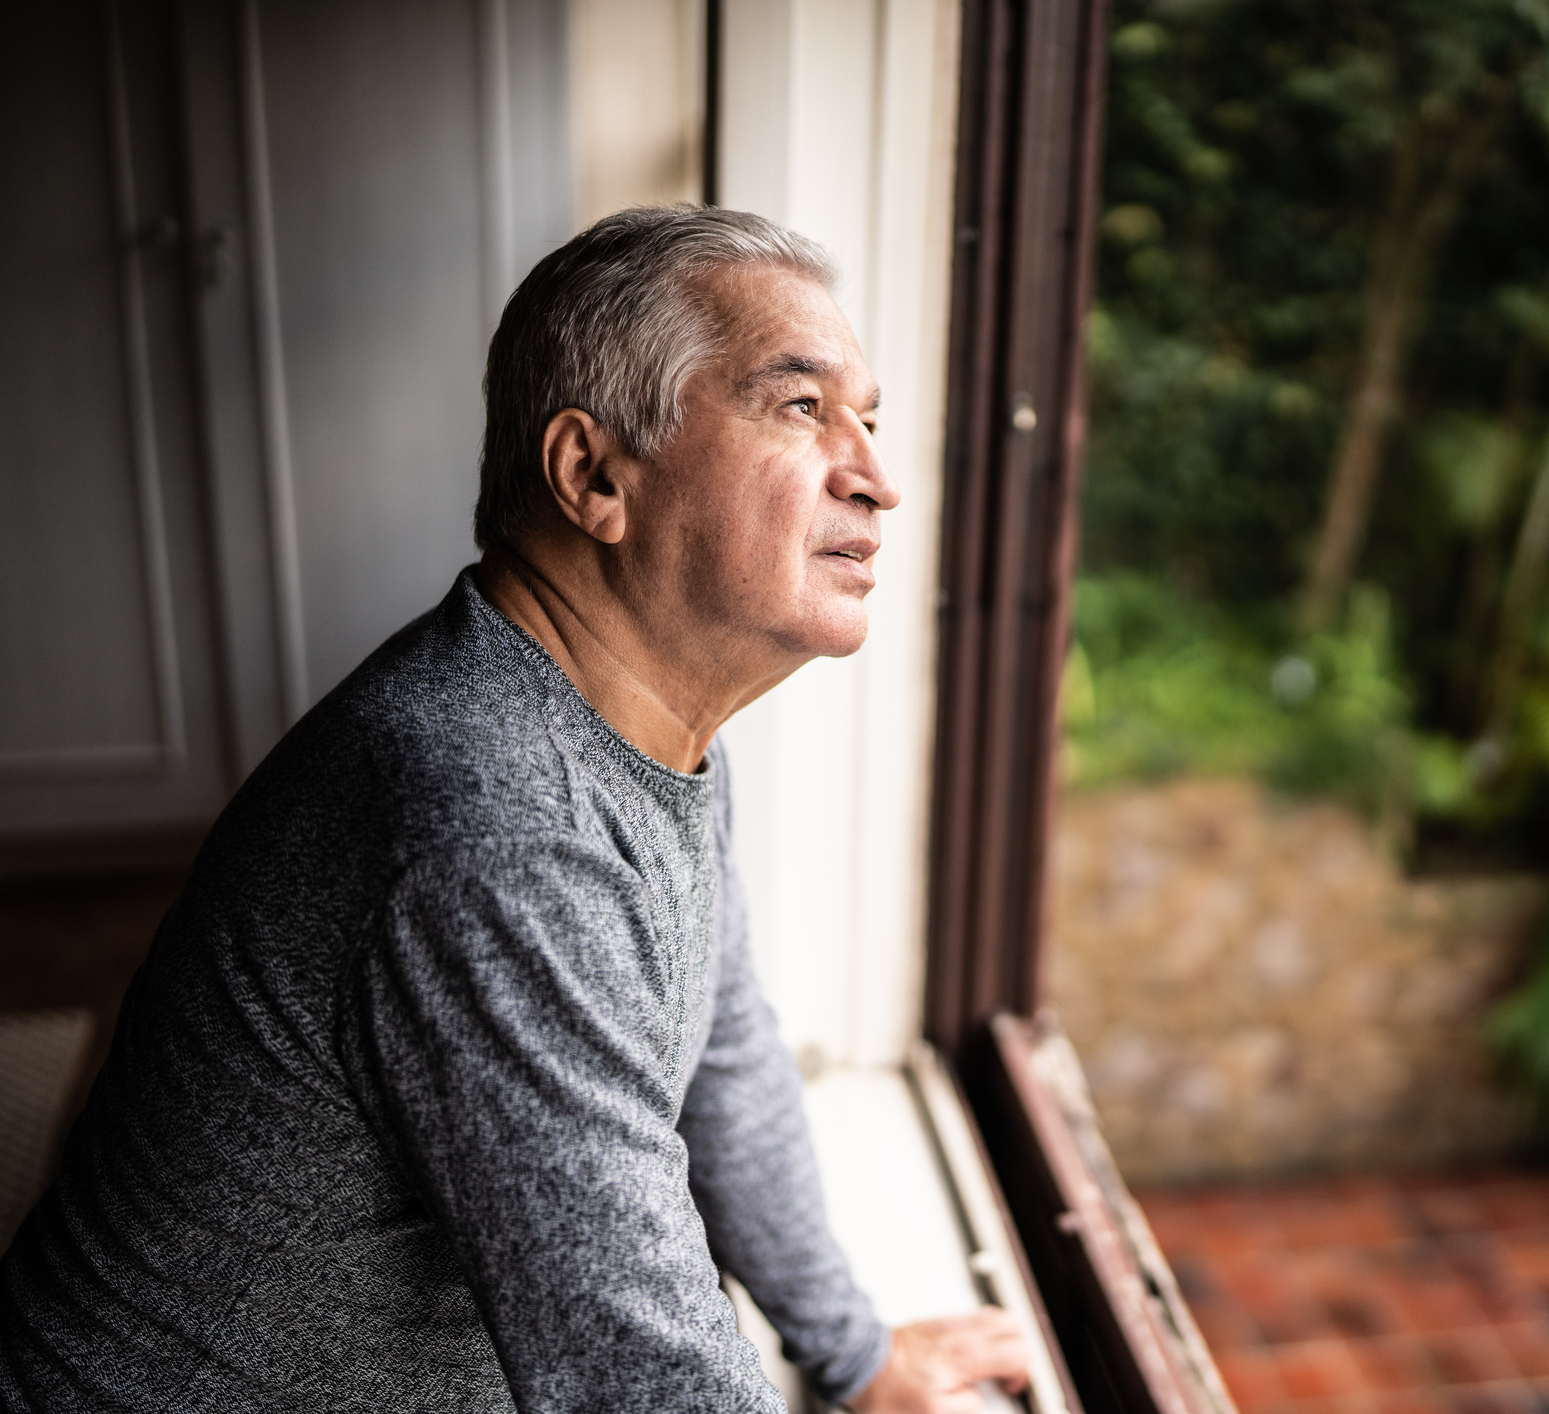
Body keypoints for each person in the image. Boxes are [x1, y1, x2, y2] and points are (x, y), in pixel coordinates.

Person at [0, 207, 1029, 1413]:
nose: (877, 476)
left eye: (867, 417)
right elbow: (640, 1376)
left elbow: (726, 1053)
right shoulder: (495, 819)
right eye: (801, 407)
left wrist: (853, 1351)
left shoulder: (646, 728)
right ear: (593, 474)